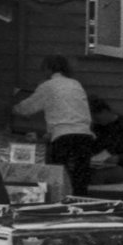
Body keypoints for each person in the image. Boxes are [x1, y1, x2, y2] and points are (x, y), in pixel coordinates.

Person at [12, 54, 98, 194]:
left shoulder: (48, 86)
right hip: (85, 136)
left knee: (58, 177)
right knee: (81, 178)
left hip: (63, 137)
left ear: (48, 69)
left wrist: (12, 109)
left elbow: (27, 107)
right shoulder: (76, 84)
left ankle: (60, 205)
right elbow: (71, 111)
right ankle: (81, 207)